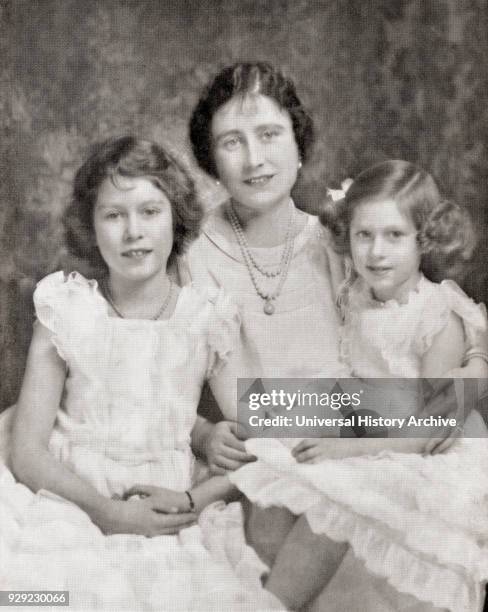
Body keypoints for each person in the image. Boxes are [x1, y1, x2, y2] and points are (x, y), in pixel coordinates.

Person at [182, 61, 488, 584]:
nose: (255, 159)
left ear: (298, 146)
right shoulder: (189, 255)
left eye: (270, 134)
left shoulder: (344, 239)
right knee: (289, 547)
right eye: (232, 141)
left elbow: (430, 328)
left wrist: (465, 378)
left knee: (394, 560)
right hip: (292, 446)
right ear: (211, 159)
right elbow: (194, 386)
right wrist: (203, 430)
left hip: (377, 441)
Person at [0, 136, 283, 611]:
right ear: (90, 226)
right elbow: (27, 451)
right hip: (66, 502)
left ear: (176, 217)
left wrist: (193, 499)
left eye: (150, 212)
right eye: (114, 215)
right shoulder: (66, 309)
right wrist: (107, 513)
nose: (134, 231)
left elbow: (266, 436)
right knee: (35, 597)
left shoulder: (206, 318)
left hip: (168, 511)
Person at [229, 160, 488, 612]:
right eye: (363, 236)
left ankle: (270, 604)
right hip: (367, 431)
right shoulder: (356, 294)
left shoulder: (438, 317)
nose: (376, 253)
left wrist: (347, 449)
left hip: (421, 452)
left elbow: (429, 428)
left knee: (331, 511)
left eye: (394, 236)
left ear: (423, 240)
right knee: (269, 488)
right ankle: (283, 595)